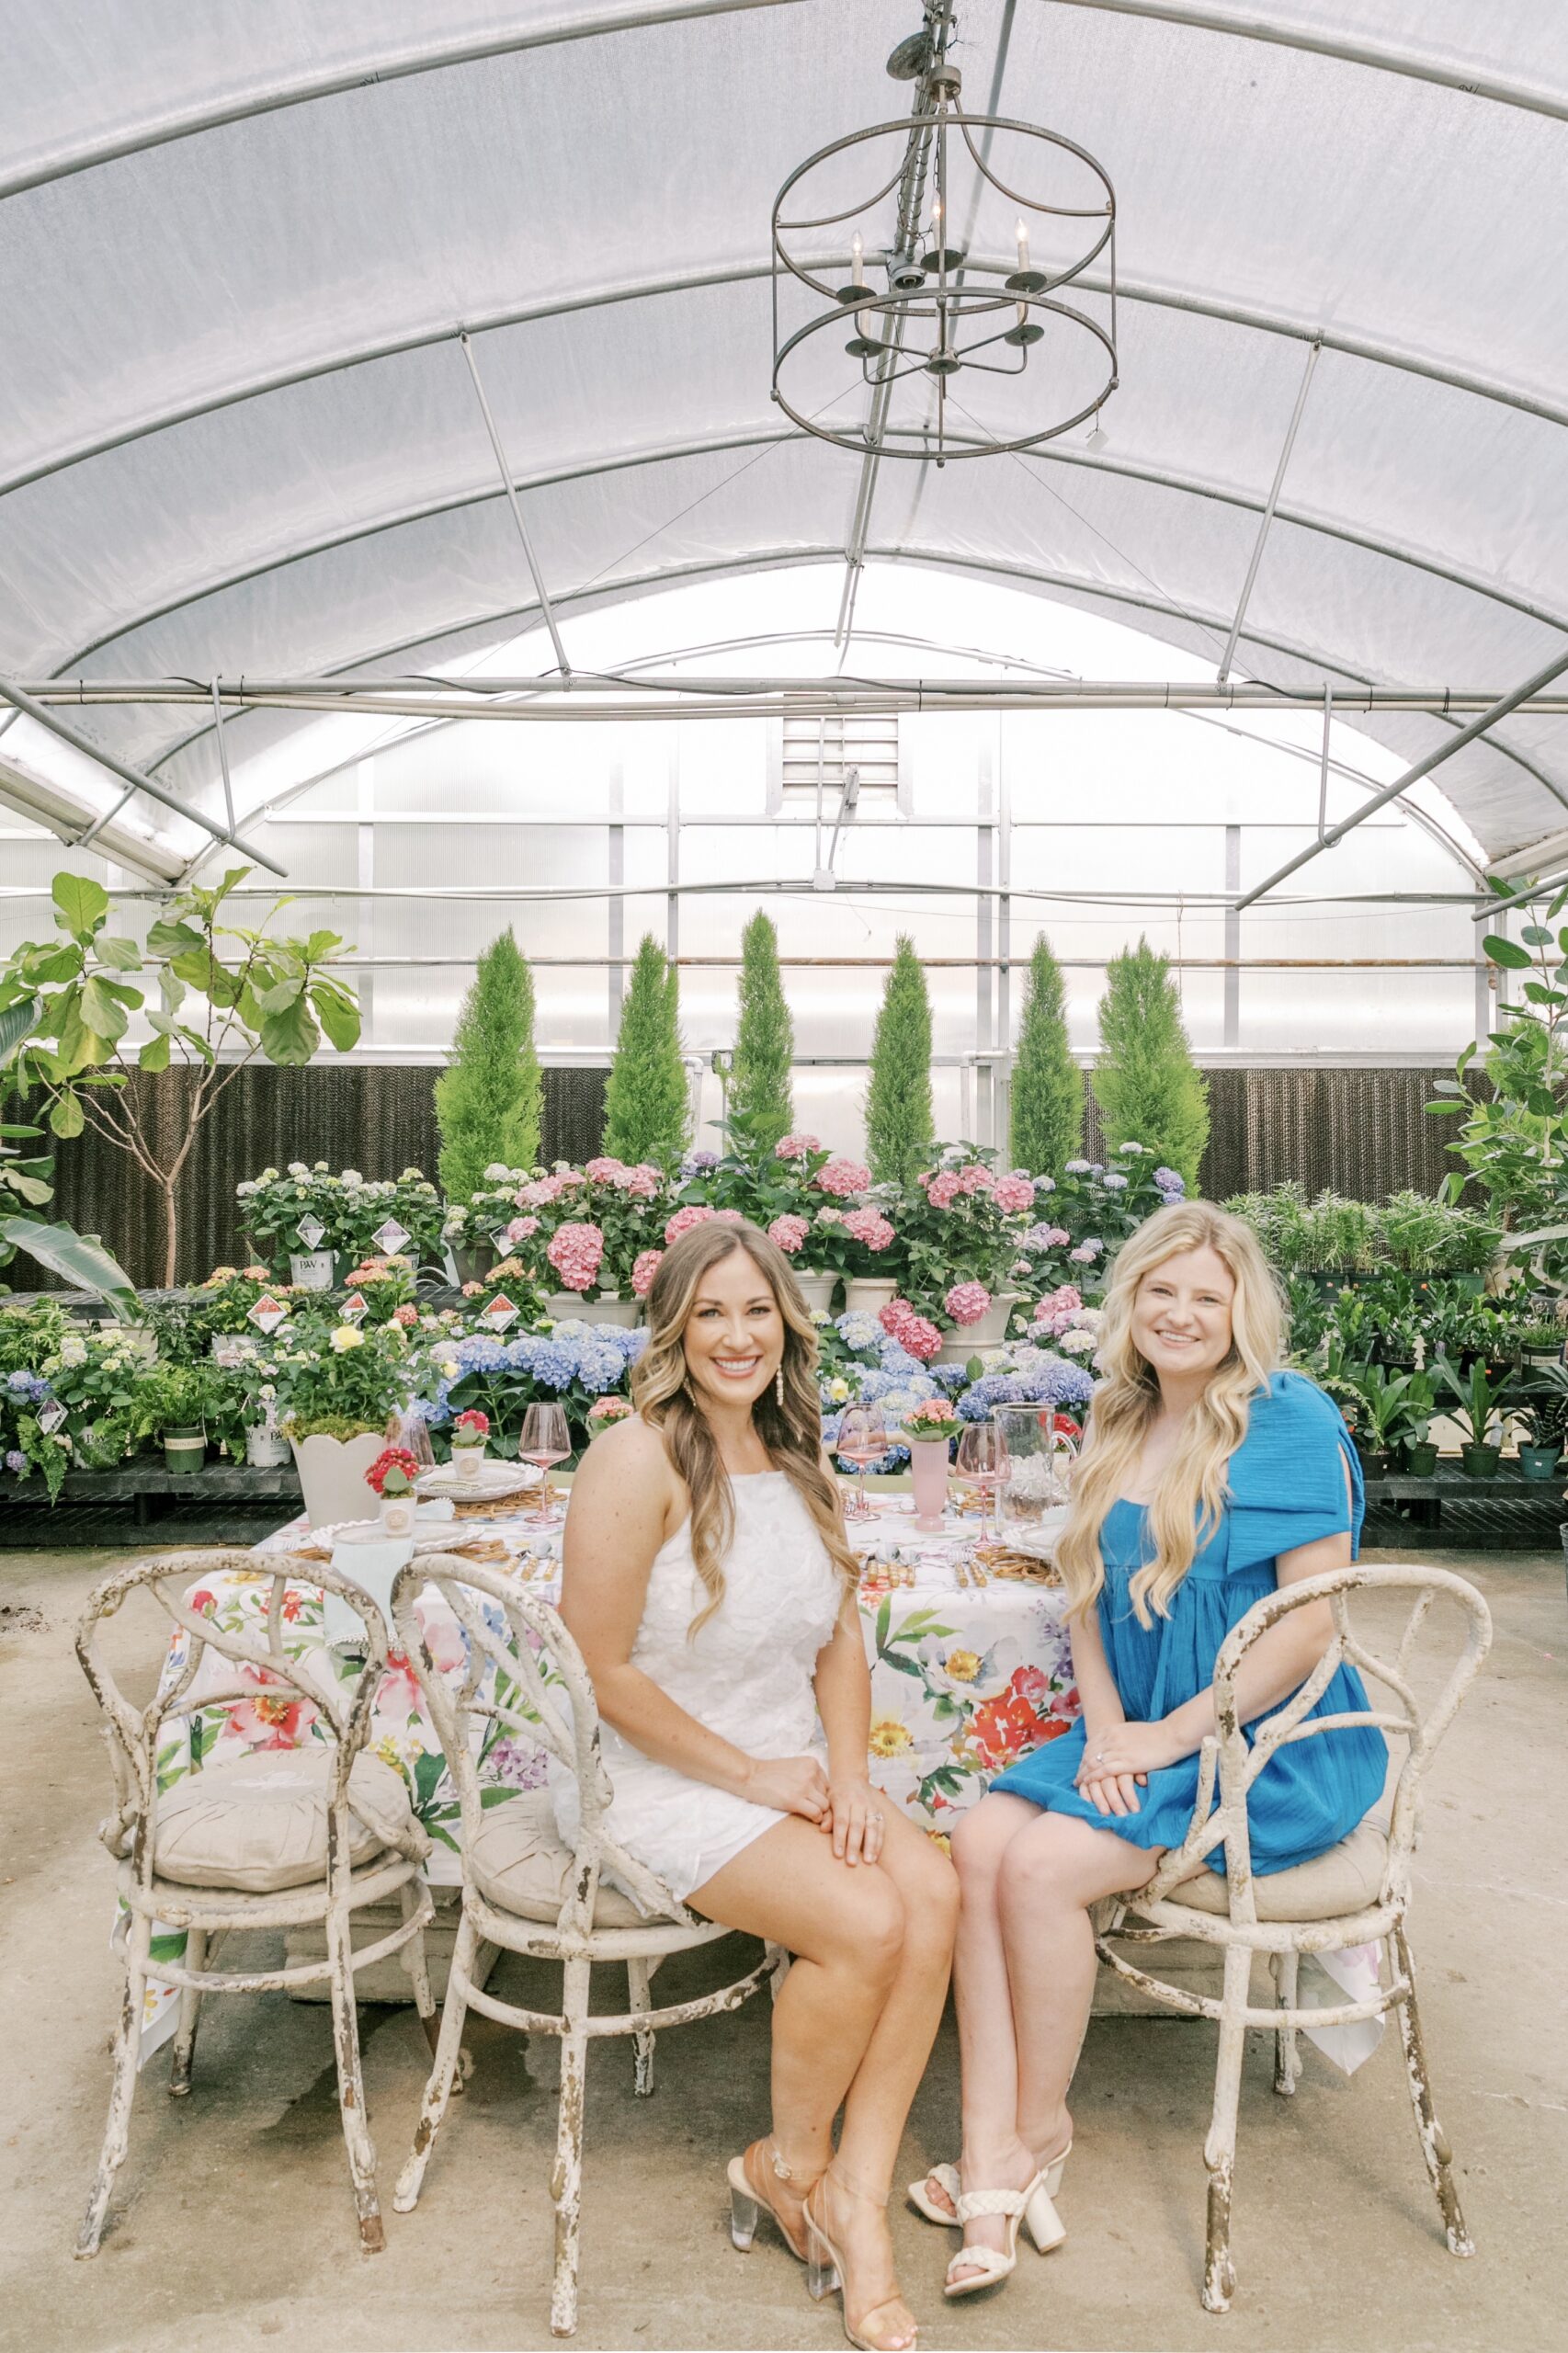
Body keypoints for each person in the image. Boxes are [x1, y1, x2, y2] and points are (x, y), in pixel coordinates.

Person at [911, 1199, 1387, 2299]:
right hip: (1141, 1721)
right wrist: (1107, 1731)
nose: (1178, 1314)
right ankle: (991, 2148)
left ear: (1240, 1312)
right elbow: (1083, 1602)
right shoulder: (1117, 1416)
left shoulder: (1287, 1416)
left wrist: (1167, 1735)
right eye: (1158, 1291)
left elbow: (1308, 1625)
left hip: (1263, 1735)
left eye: (1204, 1296)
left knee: (1036, 1870)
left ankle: (1031, 2135)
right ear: (1127, 1302)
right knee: (977, 1839)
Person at [558, 1217, 958, 2352]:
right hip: (661, 1772)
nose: (737, 1335)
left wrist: (844, 1778)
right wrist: (753, 1775)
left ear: (787, 1319)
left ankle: (852, 2196)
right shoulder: (635, 1456)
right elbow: (600, 1667)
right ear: (673, 1327)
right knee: (866, 1921)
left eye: (756, 1309)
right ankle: (786, 2165)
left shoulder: (798, 1453)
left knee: (933, 1898)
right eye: (711, 1311)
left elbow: (837, 1642)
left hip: (785, 1762)